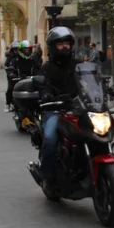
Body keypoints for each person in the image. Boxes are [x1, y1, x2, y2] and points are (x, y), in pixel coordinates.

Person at [37, 27, 81, 192]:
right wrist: (47, 95)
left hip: (79, 110)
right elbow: (44, 87)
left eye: (67, 43)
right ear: (53, 46)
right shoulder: (47, 68)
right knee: (49, 138)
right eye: (60, 44)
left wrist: (106, 89)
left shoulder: (79, 65)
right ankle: (47, 175)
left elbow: (91, 80)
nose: (64, 47)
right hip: (56, 110)